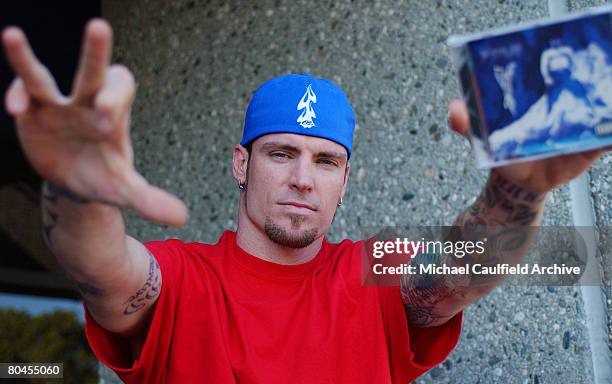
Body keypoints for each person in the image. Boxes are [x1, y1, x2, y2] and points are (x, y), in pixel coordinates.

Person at [2, 19, 608, 384]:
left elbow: (462, 269)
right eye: (280, 154)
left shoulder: (372, 272)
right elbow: (100, 265)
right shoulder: (184, 279)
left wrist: (518, 189)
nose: (302, 178)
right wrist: (75, 188)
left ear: (345, 179)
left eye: (325, 161)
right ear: (241, 164)